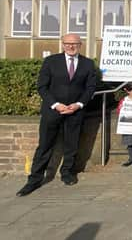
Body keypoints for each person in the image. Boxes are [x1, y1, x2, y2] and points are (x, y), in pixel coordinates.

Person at [17, 33, 96, 197]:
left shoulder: (88, 64)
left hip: (75, 112)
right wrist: (57, 105)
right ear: (62, 44)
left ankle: (67, 173)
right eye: (67, 43)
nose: (71, 46)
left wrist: (78, 105)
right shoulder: (51, 62)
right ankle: (34, 179)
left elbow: (90, 88)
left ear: (80, 45)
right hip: (53, 111)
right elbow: (42, 87)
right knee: (45, 145)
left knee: (71, 145)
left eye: (74, 44)